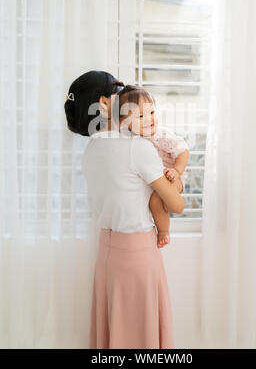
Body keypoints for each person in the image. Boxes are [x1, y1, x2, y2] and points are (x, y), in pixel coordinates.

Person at [64, 70, 184, 349]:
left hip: (106, 253)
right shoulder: (136, 148)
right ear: (105, 104)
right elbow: (176, 205)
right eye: (117, 90)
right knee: (141, 339)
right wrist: (176, 178)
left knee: (114, 337)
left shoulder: (91, 151)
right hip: (137, 256)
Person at [117, 84, 189, 248]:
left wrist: (176, 171)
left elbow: (183, 150)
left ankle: (163, 231)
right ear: (125, 122)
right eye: (141, 116)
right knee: (152, 201)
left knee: (156, 202)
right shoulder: (127, 137)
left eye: (152, 112)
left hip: (171, 176)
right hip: (153, 180)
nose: (149, 119)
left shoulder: (161, 134)